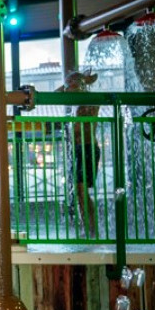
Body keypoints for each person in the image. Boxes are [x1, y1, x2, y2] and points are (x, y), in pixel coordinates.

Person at [56, 70, 100, 237]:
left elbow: (80, 125)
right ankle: (86, 226)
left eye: (71, 86)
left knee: (82, 190)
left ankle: (92, 228)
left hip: (87, 148)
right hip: (78, 150)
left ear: (80, 85)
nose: (68, 90)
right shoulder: (77, 102)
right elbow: (53, 95)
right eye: (68, 86)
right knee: (79, 191)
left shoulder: (90, 100)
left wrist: (81, 81)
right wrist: (69, 85)